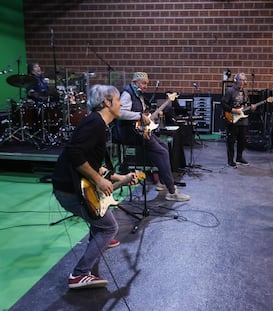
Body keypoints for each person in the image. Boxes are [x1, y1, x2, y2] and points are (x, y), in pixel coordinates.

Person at [52, 84, 140, 289]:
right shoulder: (95, 124)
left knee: (102, 225)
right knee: (110, 227)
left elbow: (93, 165)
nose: (120, 105)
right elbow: (75, 154)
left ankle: (99, 239)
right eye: (118, 101)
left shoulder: (98, 124)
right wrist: (100, 181)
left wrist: (121, 177)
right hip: (69, 189)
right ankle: (79, 274)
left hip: (70, 186)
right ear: (107, 102)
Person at [114, 72, 190, 201]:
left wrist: (148, 115)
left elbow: (142, 113)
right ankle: (172, 191)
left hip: (139, 131)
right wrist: (140, 116)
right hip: (130, 134)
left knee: (164, 148)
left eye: (147, 84)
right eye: (143, 83)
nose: (145, 86)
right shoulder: (127, 93)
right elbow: (120, 113)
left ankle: (162, 181)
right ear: (135, 82)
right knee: (161, 152)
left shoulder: (137, 94)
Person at [221, 72, 256, 167]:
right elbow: (223, 104)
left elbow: (246, 105)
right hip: (232, 118)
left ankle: (239, 157)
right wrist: (232, 110)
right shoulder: (230, 91)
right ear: (236, 80)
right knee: (231, 140)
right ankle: (230, 160)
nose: (242, 82)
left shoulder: (245, 92)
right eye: (240, 80)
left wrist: (251, 107)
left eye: (244, 80)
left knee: (242, 140)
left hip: (243, 119)